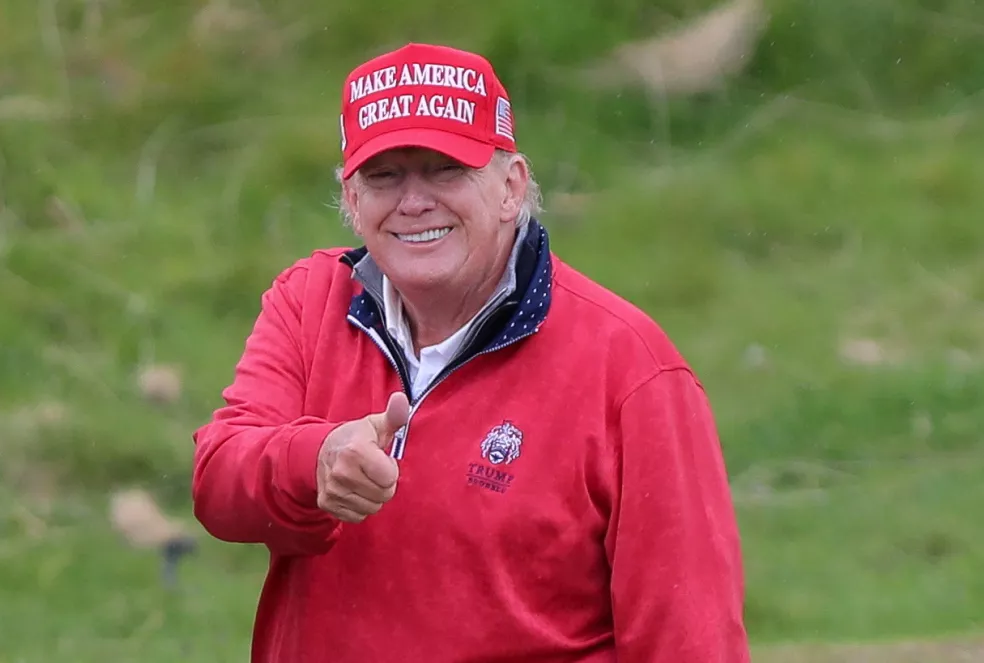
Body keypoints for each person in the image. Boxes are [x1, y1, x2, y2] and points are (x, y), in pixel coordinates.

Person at [191, 42, 751, 663]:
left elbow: (690, 641)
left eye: (445, 169)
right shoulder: (308, 302)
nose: (414, 201)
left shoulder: (630, 365)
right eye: (384, 176)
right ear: (352, 201)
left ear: (512, 187)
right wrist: (312, 462)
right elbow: (218, 483)